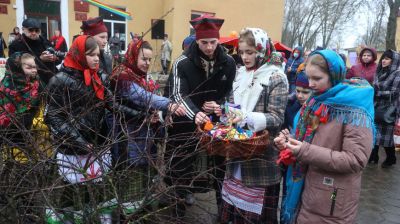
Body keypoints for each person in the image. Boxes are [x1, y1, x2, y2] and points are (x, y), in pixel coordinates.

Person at [44, 35, 139, 222]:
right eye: (91, 54)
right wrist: (78, 141)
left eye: (98, 54)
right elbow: (53, 116)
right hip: (72, 150)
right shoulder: (59, 80)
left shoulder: (99, 77)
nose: (97, 58)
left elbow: (113, 104)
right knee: (73, 194)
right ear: (79, 54)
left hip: (97, 145)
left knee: (97, 191)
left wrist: (142, 115)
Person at [274, 50, 374, 223]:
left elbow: (356, 159)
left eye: (317, 78)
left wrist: (304, 150)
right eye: (308, 77)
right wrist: (289, 141)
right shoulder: (317, 100)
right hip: (308, 193)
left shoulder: (355, 110)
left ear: (334, 75)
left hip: (331, 201)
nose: (310, 84)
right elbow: (309, 136)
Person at [214, 27, 288, 224]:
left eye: (250, 52)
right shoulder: (240, 74)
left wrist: (246, 118)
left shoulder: (276, 77)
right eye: (241, 52)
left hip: (260, 156)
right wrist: (224, 112)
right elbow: (232, 105)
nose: (244, 57)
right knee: (233, 213)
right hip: (237, 151)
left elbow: (276, 117)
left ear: (262, 50)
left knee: (254, 217)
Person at [164, 14, 236, 217]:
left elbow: (231, 94)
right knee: (180, 166)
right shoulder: (182, 62)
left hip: (216, 125)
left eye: (213, 42)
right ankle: (178, 211)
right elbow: (178, 94)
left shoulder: (229, 62)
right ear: (196, 40)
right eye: (204, 42)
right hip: (185, 124)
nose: (210, 47)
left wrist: (220, 106)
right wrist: (195, 114)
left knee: (219, 167)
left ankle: (223, 211)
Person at [108, 38, 186, 210]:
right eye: (144, 59)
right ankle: (129, 216)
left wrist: (160, 114)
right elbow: (142, 97)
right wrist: (168, 105)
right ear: (133, 56)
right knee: (131, 182)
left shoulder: (142, 77)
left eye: (150, 59)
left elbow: (150, 104)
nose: (147, 63)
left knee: (146, 181)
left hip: (145, 137)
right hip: (128, 139)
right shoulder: (122, 76)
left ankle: (143, 211)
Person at [0, 52, 45, 222]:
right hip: (9, 134)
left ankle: (26, 206)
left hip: (28, 135)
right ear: (17, 69)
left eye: (35, 66)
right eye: (29, 67)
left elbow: (41, 106)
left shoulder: (36, 85)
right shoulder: (7, 87)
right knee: (15, 169)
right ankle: (16, 202)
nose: (34, 70)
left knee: (24, 172)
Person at [369, 50, 400, 167]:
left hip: (389, 108)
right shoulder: (379, 71)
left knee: (386, 135)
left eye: (387, 59)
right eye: (383, 58)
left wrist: (377, 92)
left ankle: (391, 158)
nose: (383, 60)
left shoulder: (397, 73)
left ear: (394, 61)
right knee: (374, 131)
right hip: (376, 105)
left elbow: (394, 92)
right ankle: (373, 156)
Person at [9, 18, 57, 84]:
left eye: (37, 30)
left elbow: (57, 60)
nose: (34, 33)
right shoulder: (15, 45)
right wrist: (40, 59)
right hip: (29, 82)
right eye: (30, 30)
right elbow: (14, 66)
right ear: (23, 29)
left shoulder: (45, 41)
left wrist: (53, 57)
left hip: (49, 79)